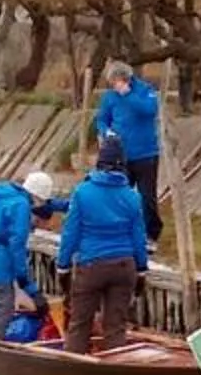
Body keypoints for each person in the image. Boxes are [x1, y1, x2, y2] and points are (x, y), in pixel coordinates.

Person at [57, 134, 149, 354]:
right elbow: (139, 236)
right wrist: (142, 269)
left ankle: (72, 371)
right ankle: (115, 369)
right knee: (116, 326)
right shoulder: (132, 196)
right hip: (124, 265)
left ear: (99, 162)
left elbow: (71, 233)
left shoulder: (82, 193)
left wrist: (63, 265)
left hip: (92, 265)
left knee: (80, 324)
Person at [0, 170, 58, 339]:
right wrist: (30, 288)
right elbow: (17, 247)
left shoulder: (5, 198)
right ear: (37, 196)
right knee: (3, 308)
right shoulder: (21, 206)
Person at [91, 61, 164, 247]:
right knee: (119, 194)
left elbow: (150, 110)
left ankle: (151, 234)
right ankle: (120, 230)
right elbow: (101, 119)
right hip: (120, 154)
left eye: (116, 82)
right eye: (112, 83)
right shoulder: (110, 97)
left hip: (145, 153)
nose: (114, 86)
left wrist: (129, 95)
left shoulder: (145, 90)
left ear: (125, 79)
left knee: (147, 196)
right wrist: (105, 131)